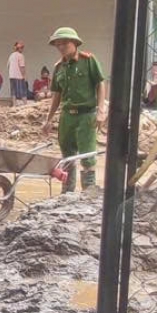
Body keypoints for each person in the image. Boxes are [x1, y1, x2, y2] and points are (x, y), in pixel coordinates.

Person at [41, 27, 106, 192]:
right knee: (68, 156)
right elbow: (57, 96)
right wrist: (49, 119)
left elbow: (100, 83)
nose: (61, 47)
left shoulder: (88, 61)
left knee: (87, 156)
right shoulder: (59, 67)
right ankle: (67, 194)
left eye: (64, 43)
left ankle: (88, 193)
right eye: (58, 44)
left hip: (86, 116)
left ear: (75, 43)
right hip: (67, 117)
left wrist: (101, 110)